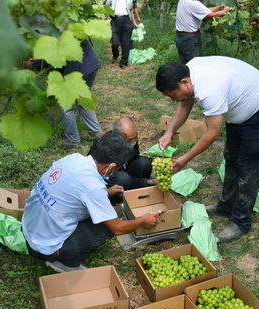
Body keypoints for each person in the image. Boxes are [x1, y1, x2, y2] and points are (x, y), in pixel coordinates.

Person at [155, 56, 259, 242]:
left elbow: (211, 134)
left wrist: (185, 158)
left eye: (173, 95)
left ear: (184, 82)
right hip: (240, 113)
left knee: (248, 168)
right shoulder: (188, 72)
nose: (174, 100)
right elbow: (184, 103)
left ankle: (241, 222)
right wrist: (169, 132)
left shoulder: (209, 90)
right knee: (231, 157)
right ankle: (226, 205)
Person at [22, 132, 158, 273]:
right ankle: (64, 261)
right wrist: (143, 220)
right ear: (111, 167)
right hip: (45, 249)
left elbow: (72, 189)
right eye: (117, 168)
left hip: (28, 230)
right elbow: (118, 228)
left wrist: (106, 192)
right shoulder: (93, 186)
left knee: (99, 212)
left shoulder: (73, 159)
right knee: (108, 225)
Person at [62, 40, 103, 147]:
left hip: (78, 69)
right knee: (83, 99)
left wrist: (33, 64)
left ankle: (73, 140)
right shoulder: (70, 25)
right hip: (91, 64)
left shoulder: (53, 32)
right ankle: (96, 132)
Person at [108, 116, 156, 190]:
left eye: (135, 137)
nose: (133, 142)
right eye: (130, 139)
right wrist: (146, 182)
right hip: (109, 177)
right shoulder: (108, 148)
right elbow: (116, 172)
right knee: (123, 179)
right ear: (118, 137)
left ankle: (138, 189)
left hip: (124, 171)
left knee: (144, 162)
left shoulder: (130, 140)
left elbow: (134, 157)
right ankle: (122, 195)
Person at [106, 0, 138, 69]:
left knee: (125, 43)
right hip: (115, 20)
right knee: (115, 43)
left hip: (126, 20)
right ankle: (115, 55)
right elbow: (106, 6)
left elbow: (131, 10)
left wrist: (134, 22)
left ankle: (124, 62)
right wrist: (109, 15)